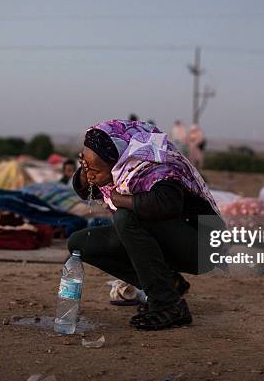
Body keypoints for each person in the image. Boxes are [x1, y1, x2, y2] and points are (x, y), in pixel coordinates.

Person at [68, 119, 224, 331]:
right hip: (171, 239)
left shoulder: (156, 167)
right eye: (86, 167)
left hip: (203, 247)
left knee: (125, 217)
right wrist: (87, 171)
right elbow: (89, 187)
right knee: (80, 243)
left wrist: (121, 200)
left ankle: (167, 305)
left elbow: (166, 205)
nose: (90, 176)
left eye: (95, 169)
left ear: (118, 160)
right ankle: (169, 285)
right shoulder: (120, 171)